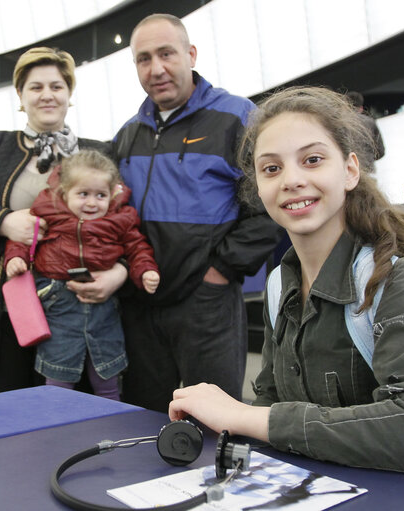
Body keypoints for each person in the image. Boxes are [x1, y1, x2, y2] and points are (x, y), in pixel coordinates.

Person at [168, 86, 404, 475]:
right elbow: (272, 400)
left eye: (312, 160)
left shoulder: (394, 277)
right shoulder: (280, 283)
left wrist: (241, 416)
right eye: (272, 168)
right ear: (258, 188)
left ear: (349, 170)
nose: (291, 180)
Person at [109, 14, 283, 412]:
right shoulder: (127, 135)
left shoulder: (238, 117)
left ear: (190, 54)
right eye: (144, 59)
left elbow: (270, 206)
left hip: (207, 303)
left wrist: (219, 272)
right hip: (141, 304)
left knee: (215, 425)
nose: (156, 69)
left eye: (167, 54)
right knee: (144, 422)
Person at [0, 47, 112, 395]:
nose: (47, 95)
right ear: (20, 95)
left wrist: (119, 272)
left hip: (79, 308)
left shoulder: (100, 152)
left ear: (69, 94)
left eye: (57, 86)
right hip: (6, 308)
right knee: (6, 416)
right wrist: (4, 222)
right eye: (35, 87)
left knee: (74, 416)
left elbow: (123, 220)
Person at [4, 150, 159, 401]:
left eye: (101, 195)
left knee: (106, 375)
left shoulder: (120, 218)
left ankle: (112, 426)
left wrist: (145, 271)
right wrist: (16, 259)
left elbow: (137, 247)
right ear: (65, 193)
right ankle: (55, 430)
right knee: (58, 376)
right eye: (83, 194)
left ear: (113, 194)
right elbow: (24, 239)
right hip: (58, 304)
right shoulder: (47, 213)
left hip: (104, 307)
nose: (91, 203)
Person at [346, 91, 385, 163]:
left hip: (349, 169)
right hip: (368, 168)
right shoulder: (370, 122)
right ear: (361, 108)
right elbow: (380, 151)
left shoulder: (341, 124)